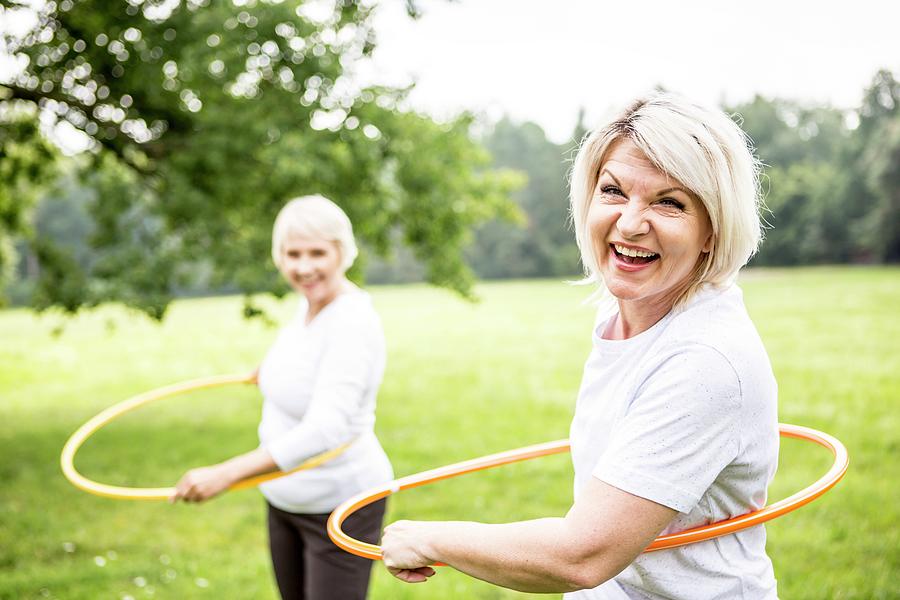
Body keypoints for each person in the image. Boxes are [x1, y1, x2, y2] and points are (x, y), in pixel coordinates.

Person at [381, 93, 780, 599]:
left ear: (712, 230)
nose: (631, 223)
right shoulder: (622, 312)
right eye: (613, 190)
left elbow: (582, 554)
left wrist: (431, 539)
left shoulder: (706, 361)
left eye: (669, 202)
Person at [171, 195, 393, 600]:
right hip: (286, 497)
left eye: (317, 253)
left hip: (341, 503)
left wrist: (227, 473)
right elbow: (306, 363)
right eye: (292, 254)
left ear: (342, 252)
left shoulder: (352, 323)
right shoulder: (309, 306)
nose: (303, 267)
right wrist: (270, 373)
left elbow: (325, 429)